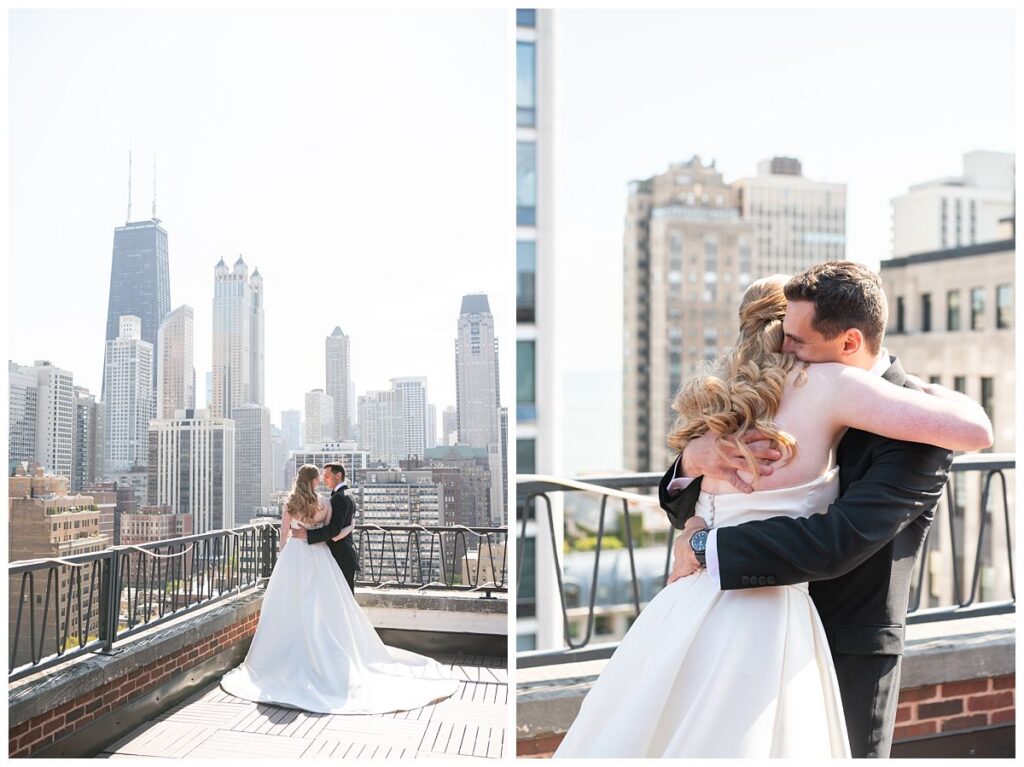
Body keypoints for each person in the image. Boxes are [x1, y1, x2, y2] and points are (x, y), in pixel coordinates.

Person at [554, 264, 992, 758]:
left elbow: (839, 540)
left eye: (797, 340)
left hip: (840, 641)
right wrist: (693, 460)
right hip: (747, 616)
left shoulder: (910, 424)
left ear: (848, 341)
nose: (786, 347)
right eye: (784, 334)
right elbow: (686, 499)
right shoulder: (773, 392)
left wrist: (704, 544)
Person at [220, 464, 459, 714]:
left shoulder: (290, 502)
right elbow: (331, 533)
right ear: (314, 481)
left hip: (294, 555)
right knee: (323, 602)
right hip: (319, 555)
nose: (323, 480)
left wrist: (284, 554)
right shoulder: (324, 503)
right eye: (320, 477)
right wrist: (349, 527)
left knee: (289, 603)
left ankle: (290, 651)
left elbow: (284, 533)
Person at [288, 462, 359, 590]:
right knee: (343, 596)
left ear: (338, 475)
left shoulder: (338, 498)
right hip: (345, 554)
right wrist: (350, 528)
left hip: (341, 556)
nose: (323, 479)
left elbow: (334, 530)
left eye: (327, 476)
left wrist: (307, 534)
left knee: (342, 596)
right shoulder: (347, 492)